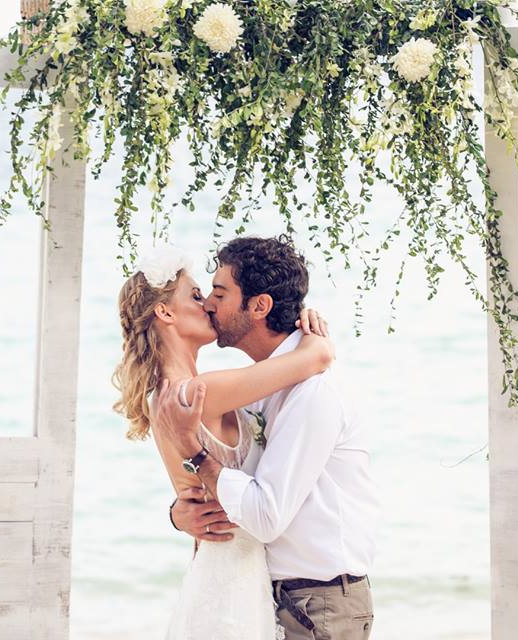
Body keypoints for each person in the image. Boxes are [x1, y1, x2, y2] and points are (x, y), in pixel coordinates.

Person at [157, 236, 380, 639]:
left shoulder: (313, 390)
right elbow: (240, 466)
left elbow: (263, 515)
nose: (209, 303)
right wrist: (180, 512)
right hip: (276, 597)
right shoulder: (272, 382)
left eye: (219, 293)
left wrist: (193, 453)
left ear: (259, 307)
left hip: (319, 604)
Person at [112, 242, 333, 639]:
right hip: (233, 577)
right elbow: (315, 359)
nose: (209, 305)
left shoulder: (173, 392)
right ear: (165, 313)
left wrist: (179, 514)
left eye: (213, 294)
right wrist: (312, 333)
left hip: (228, 570)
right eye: (196, 296)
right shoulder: (196, 393)